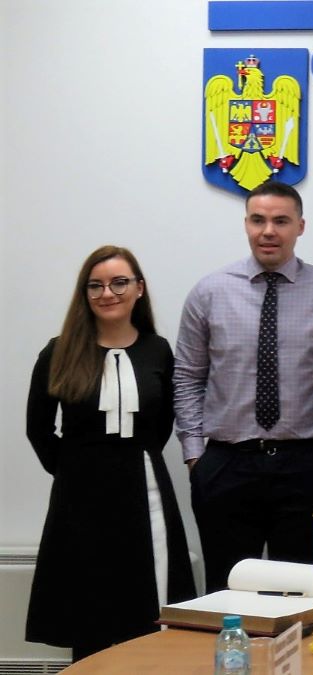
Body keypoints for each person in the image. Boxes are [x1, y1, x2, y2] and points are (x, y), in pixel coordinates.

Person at [175, 182, 313, 591]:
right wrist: (194, 456)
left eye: (281, 221)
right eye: (258, 220)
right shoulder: (209, 292)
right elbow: (187, 376)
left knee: (300, 597)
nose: (268, 231)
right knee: (225, 595)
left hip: (305, 467)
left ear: (300, 226)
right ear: (246, 224)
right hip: (225, 465)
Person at [26, 246, 195, 661]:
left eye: (119, 283)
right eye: (96, 285)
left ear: (139, 288)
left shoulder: (158, 350)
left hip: (145, 487)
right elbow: (38, 428)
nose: (107, 293)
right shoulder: (58, 351)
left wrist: (130, 460)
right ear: (84, 293)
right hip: (79, 495)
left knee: (149, 601)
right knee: (87, 600)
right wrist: (73, 470)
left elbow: (162, 424)